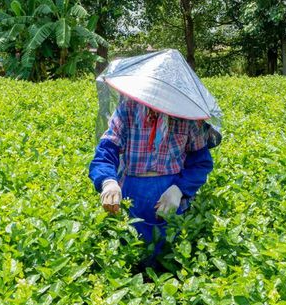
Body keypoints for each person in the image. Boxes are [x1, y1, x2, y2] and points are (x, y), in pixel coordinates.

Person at [88, 93, 214, 264]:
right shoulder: (127, 110)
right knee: (130, 256)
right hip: (132, 196)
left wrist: (180, 189)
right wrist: (108, 182)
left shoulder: (187, 117)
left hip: (171, 199)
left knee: (170, 259)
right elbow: (106, 152)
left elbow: (200, 163)